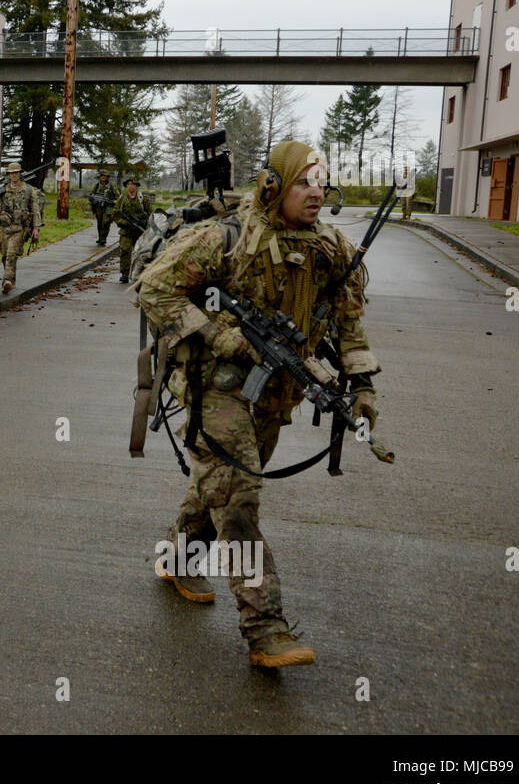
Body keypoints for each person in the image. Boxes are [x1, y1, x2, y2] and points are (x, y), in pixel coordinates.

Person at [136, 140, 380, 669]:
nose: (316, 190)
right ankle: (265, 627)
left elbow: (349, 319)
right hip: (213, 385)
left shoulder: (331, 248)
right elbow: (154, 288)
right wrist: (221, 336)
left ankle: (178, 556)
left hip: (275, 390)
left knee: (220, 487)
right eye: (303, 181)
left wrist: (362, 384)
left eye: (322, 180)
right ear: (273, 186)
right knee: (239, 494)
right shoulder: (224, 237)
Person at [0, 161, 43, 294]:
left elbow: (35, 211)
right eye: (12, 173)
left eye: (16, 172)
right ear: (9, 175)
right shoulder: (2, 190)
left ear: (20, 173)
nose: (14, 175)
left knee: (12, 254)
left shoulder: (28, 190)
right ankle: (12, 279)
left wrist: (36, 228)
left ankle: (7, 280)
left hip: (18, 229)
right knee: (5, 255)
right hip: (3, 229)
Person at [112, 173, 154, 283]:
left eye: (133, 184)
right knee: (125, 251)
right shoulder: (122, 199)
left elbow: (151, 214)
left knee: (139, 253)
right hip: (126, 230)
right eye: (129, 184)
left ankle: (137, 273)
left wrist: (148, 228)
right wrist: (123, 223)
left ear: (136, 186)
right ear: (126, 186)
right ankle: (125, 273)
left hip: (140, 231)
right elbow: (115, 214)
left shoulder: (142, 199)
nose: (131, 186)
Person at [89, 170, 116, 245]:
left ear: (108, 177)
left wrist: (114, 201)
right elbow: (91, 195)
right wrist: (94, 199)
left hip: (109, 207)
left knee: (106, 222)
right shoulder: (97, 185)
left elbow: (117, 196)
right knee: (100, 222)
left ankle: (104, 238)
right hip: (99, 207)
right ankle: (100, 237)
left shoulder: (112, 186)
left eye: (105, 176)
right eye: (102, 176)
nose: (104, 177)